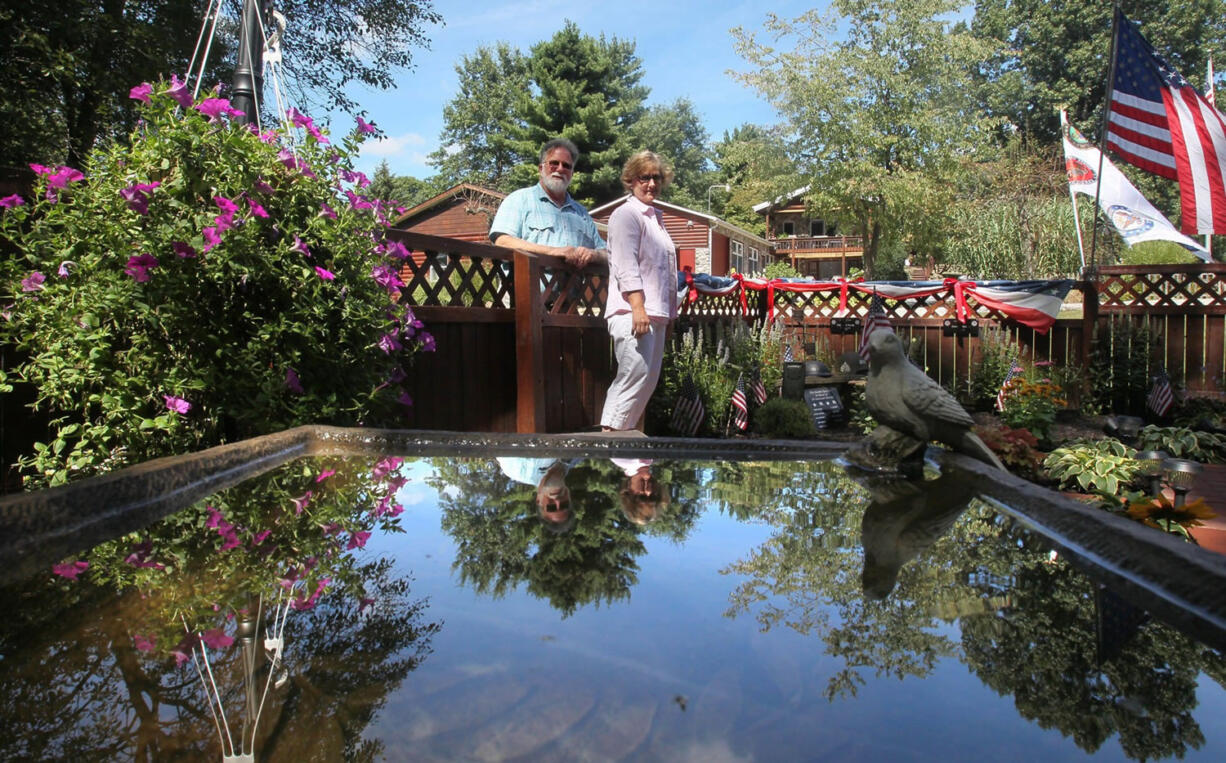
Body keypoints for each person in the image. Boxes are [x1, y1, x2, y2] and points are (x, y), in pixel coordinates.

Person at [599, 151, 678, 431]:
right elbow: (625, 264)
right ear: (631, 180)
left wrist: (669, 316)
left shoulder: (655, 219)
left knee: (646, 382)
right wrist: (638, 307)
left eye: (656, 178)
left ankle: (624, 451)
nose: (651, 184)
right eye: (644, 178)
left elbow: (665, 274)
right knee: (633, 378)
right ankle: (610, 445)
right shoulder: (626, 215)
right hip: (632, 313)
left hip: (654, 314)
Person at [488, 138, 607, 268]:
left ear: (572, 174)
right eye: (554, 163)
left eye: (567, 166)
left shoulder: (582, 214)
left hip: (574, 288)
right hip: (524, 287)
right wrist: (553, 251)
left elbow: (608, 253)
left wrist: (594, 254)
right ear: (541, 168)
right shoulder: (518, 200)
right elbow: (503, 241)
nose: (560, 169)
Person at [495, 456, 577, 530]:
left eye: (551, 507)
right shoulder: (577, 456)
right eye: (564, 505)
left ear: (538, 500)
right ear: (569, 495)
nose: (557, 501)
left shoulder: (517, 470)